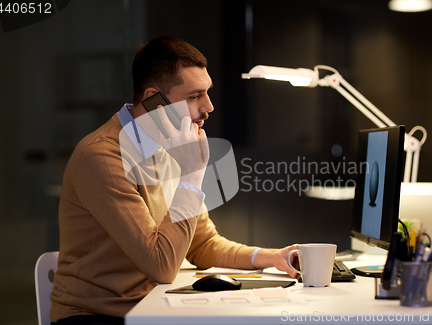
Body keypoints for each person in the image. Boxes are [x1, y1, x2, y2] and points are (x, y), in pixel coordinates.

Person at [50, 36, 297, 325]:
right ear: (155, 100)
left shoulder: (169, 145)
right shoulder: (103, 157)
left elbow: (203, 244)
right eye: (194, 96)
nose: (209, 106)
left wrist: (270, 257)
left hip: (152, 307)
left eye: (207, 93)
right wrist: (192, 176)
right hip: (96, 315)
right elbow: (161, 265)